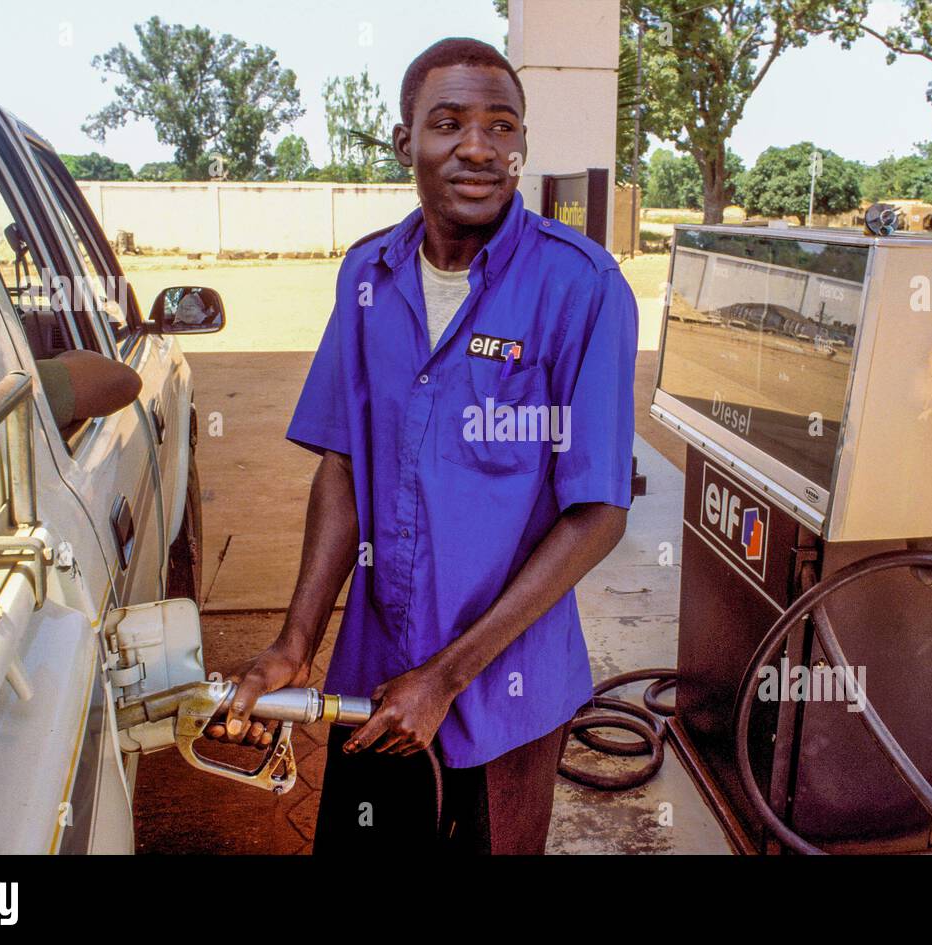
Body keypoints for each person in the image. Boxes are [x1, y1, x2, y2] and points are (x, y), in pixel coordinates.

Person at [206, 37, 638, 855]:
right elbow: (342, 463)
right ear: (406, 143)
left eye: (501, 126)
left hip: (507, 689)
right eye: (449, 123)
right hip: (376, 674)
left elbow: (599, 513)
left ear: (520, 146)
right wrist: (296, 642)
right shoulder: (367, 275)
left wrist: (446, 677)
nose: (478, 146)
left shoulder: (581, 287)